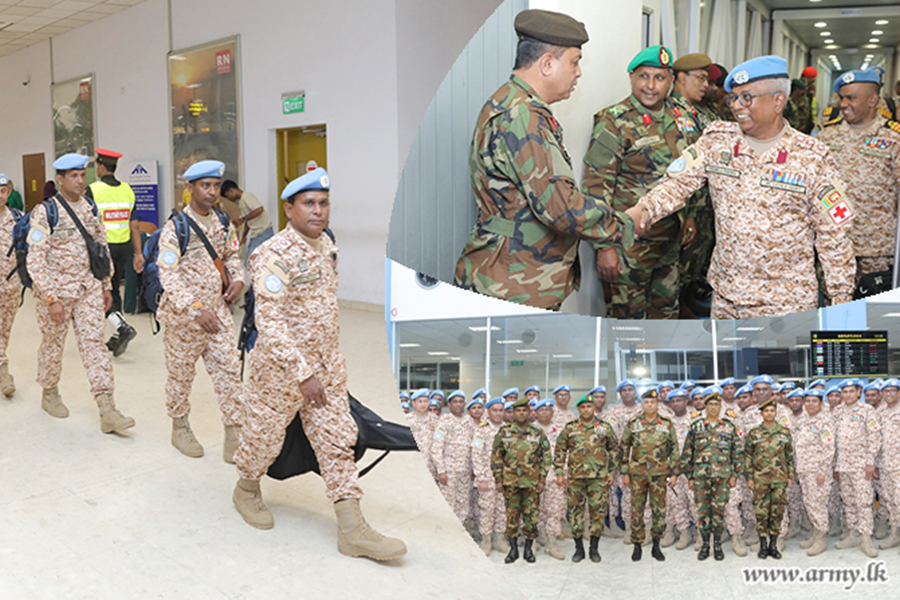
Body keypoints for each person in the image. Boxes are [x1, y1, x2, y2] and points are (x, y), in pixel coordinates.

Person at [232, 167, 405, 559]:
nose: (318, 211)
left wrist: (322, 367)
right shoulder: (272, 254)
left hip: (326, 369)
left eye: (324, 203)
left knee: (337, 440)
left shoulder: (327, 243)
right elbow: (269, 321)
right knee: (263, 440)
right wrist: (302, 372)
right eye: (308, 203)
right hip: (280, 374)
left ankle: (352, 529)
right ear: (289, 208)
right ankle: (245, 489)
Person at [628, 55, 856, 318]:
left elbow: (835, 236)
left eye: (746, 97)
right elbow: (677, 184)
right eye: (733, 98)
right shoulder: (717, 141)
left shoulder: (813, 157)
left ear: (778, 101)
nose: (737, 106)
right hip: (727, 298)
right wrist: (644, 210)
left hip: (785, 304)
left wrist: (841, 300)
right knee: (726, 361)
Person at [454, 8, 633, 310]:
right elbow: (561, 208)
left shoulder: (507, 101)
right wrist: (625, 224)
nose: (578, 73)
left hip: (509, 273)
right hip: (513, 283)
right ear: (548, 63)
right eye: (575, 63)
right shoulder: (523, 115)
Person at [582, 45, 701, 319]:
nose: (651, 86)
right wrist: (604, 247)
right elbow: (595, 188)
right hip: (628, 247)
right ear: (631, 77)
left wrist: (691, 216)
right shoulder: (614, 122)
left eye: (659, 78)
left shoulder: (681, 117)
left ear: (671, 81)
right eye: (643, 77)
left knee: (666, 319)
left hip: (670, 243)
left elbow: (690, 172)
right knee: (628, 326)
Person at [27, 153, 134, 434]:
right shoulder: (45, 212)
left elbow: (101, 245)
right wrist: (51, 298)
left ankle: (107, 408)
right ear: (60, 179)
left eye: (82, 174)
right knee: (53, 345)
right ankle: (49, 392)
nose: (79, 180)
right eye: (72, 176)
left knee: (94, 345)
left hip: (88, 289)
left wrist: (106, 284)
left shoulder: (89, 208)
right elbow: (35, 260)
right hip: (57, 294)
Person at [157, 160, 244, 460]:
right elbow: (167, 275)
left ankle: (234, 435)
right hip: (185, 319)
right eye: (205, 186)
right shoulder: (175, 227)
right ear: (190, 188)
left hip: (218, 313)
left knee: (230, 371)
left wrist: (238, 279)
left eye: (216, 186)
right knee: (181, 376)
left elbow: (231, 254)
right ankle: (179, 427)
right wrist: (195, 309)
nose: (212, 192)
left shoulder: (222, 221)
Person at [817, 70, 900, 289]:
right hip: (834, 244)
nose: (843, 104)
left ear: (873, 99)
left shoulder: (893, 138)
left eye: (850, 98)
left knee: (875, 316)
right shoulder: (827, 135)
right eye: (841, 98)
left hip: (878, 250)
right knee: (833, 312)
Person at [85, 148, 140, 357]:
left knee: (100, 292)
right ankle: (118, 332)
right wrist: (138, 253)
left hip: (102, 249)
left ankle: (121, 327)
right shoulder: (127, 189)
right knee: (114, 288)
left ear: (100, 166)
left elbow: (87, 224)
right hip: (123, 246)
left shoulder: (93, 190)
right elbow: (134, 225)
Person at [554, 393, 617, 563]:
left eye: (589, 406)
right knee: (575, 513)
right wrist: (559, 471)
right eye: (583, 407)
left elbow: (614, 450)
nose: (586, 409)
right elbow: (560, 449)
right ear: (579, 409)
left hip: (599, 478)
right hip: (576, 478)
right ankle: (579, 548)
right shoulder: (570, 428)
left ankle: (594, 548)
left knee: (597, 513)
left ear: (594, 408)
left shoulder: (605, 427)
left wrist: (611, 472)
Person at [618, 388, 678, 562]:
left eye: (652, 402)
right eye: (646, 402)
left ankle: (656, 546)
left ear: (657, 404)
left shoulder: (666, 424)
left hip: (660, 475)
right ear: (642, 404)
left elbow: (674, 449)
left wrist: (674, 473)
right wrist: (625, 472)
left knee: (659, 510)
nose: (649, 405)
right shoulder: (633, 423)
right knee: (636, 510)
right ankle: (637, 545)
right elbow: (624, 447)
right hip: (638, 475)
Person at [681, 392, 741, 561]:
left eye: (716, 405)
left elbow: (736, 453)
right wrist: (690, 477)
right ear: (705, 407)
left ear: (720, 407)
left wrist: (734, 474)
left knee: (719, 511)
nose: (713, 408)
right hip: (701, 479)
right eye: (710, 405)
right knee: (703, 512)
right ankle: (706, 545)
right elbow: (687, 454)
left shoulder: (729, 428)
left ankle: (718, 545)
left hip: (722, 478)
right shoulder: (696, 427)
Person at [492, 396, 551, 564]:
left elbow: (546, 456)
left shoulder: (537, 432)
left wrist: (542, 479)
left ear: (529, 412)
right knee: (511, 517)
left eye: (524, 410)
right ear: (513, 413)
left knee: (531, 518)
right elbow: (496, 456)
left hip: (532, 483)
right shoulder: (504, 432)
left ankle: (528, 550)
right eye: (518, 410)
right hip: (510, 483)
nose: (521, 413)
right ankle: (513, 550)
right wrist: (498, 479)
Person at [832, 378, 881, 557]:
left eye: (851, 391)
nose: (847, 395)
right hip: (843, 465)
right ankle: (853, 533)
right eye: (844, 392)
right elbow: (834, 441)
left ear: (858, 392)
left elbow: (874, 436)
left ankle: (866, 538)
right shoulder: (837, 411)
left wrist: (870, 462)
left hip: (861, 466)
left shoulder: (867, 411)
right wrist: (835, 465)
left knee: (863, 501)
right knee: (848, 500)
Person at [744, 396, 794, 559]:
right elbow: (748, 456)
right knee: (761, 512)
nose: (770, 413)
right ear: (762, 414)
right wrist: (749, 477)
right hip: (760, 479)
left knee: (777, 512)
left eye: (772, 411)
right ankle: (763, 545)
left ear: (776, 413)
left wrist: (790, 476)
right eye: (766, 411)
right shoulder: (754, 433)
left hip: (780, 479)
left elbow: (789, 456)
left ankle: (773, 544)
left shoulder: (784, 432)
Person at [794, 388, 835, 556]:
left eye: (814, 401)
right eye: (808, 401)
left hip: (818, 471)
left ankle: (821, 538)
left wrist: (822, 472)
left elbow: (828, 448)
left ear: (820, 403)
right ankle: (816, 531)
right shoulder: (803, 420)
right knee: (810, 502)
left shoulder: (825, 421)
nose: (810, 404)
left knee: (818, 503)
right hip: (804, 469)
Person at [472, 397, 509, 556]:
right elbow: (476, 455)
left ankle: (499, 539)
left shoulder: (509, 430)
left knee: (502, 510)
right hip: (487, 478)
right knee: (487, 509)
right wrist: (481, 478)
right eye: (495, 410)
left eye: (501, 410)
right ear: (489, 411)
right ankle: (486, 540)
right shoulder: (482, 430)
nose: (498, 413)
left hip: (505, 479)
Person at [431, 389, 474, 526]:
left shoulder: (470, 422)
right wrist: (441, 471)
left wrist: (474, 469)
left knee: (463, 504)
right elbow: (436, 448)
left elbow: (474, 447)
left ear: (465, 404)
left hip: (465, 471)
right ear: (448, 405)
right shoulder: (444, 421)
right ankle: (447, 530)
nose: (458, 404)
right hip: (449, 471)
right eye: (455, 402)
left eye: (461, 402)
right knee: (448, 503)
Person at [534, 398, 565, 559]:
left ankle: (552, 544)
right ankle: (535, 539)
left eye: (548, 410)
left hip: (555, 477)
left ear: (553, 413)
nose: (545, 413)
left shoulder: (560, 429)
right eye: (541, 410)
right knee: (534, 510)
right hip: (535, 478)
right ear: (536, 413)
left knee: (554, 511)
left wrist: (563, 474)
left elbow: (565, 453)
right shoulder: (529, 430)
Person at [0, 173, 21, 397]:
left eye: (3, 190)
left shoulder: (17, 218)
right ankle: (4, 373)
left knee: (4, 332)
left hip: (11, 288)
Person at [220, 180, 274, 264]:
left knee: (250, 261)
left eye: (228, 196)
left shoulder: (246, 196)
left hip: (263, 233)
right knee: (254, 262)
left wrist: (242, 219)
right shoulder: (242, 202)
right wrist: (244, 237)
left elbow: (259, 209)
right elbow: (249, 221)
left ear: (231, 191)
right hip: (257, 234)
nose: (229, 199)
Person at [877, 379, 900, 550]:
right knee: (890, 500)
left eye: (892, 390)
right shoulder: (879, 413)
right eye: (886, 391)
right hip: (885, 466)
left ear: (898, 393)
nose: (889, 394)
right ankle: (894, 534)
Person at [671, 53, 712, 129]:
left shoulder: (697, 110)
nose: (706, 85)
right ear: (682, 78)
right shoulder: (669, 110)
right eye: (701, 78)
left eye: (707, 80)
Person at [407, 388, 436, 480]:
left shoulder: (437, 420)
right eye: (420, 401)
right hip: (412, 463)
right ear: (413, 403)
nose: (423, 404)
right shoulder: (407, 420)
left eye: (425, 401)